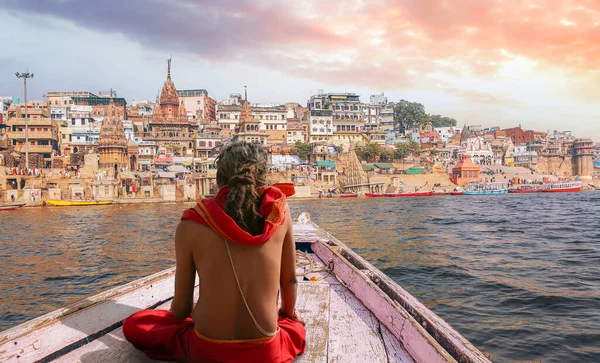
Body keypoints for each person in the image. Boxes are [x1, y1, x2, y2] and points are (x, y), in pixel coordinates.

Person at [123, 142, 306, 363]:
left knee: (134, 325)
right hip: (266, 350)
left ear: (218, 179)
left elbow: (181, 310)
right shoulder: (279, 216)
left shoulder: (191, 224)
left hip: (206, 349)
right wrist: (289, 317)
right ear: (262, 178)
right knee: (293, 327)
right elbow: (290, 281)